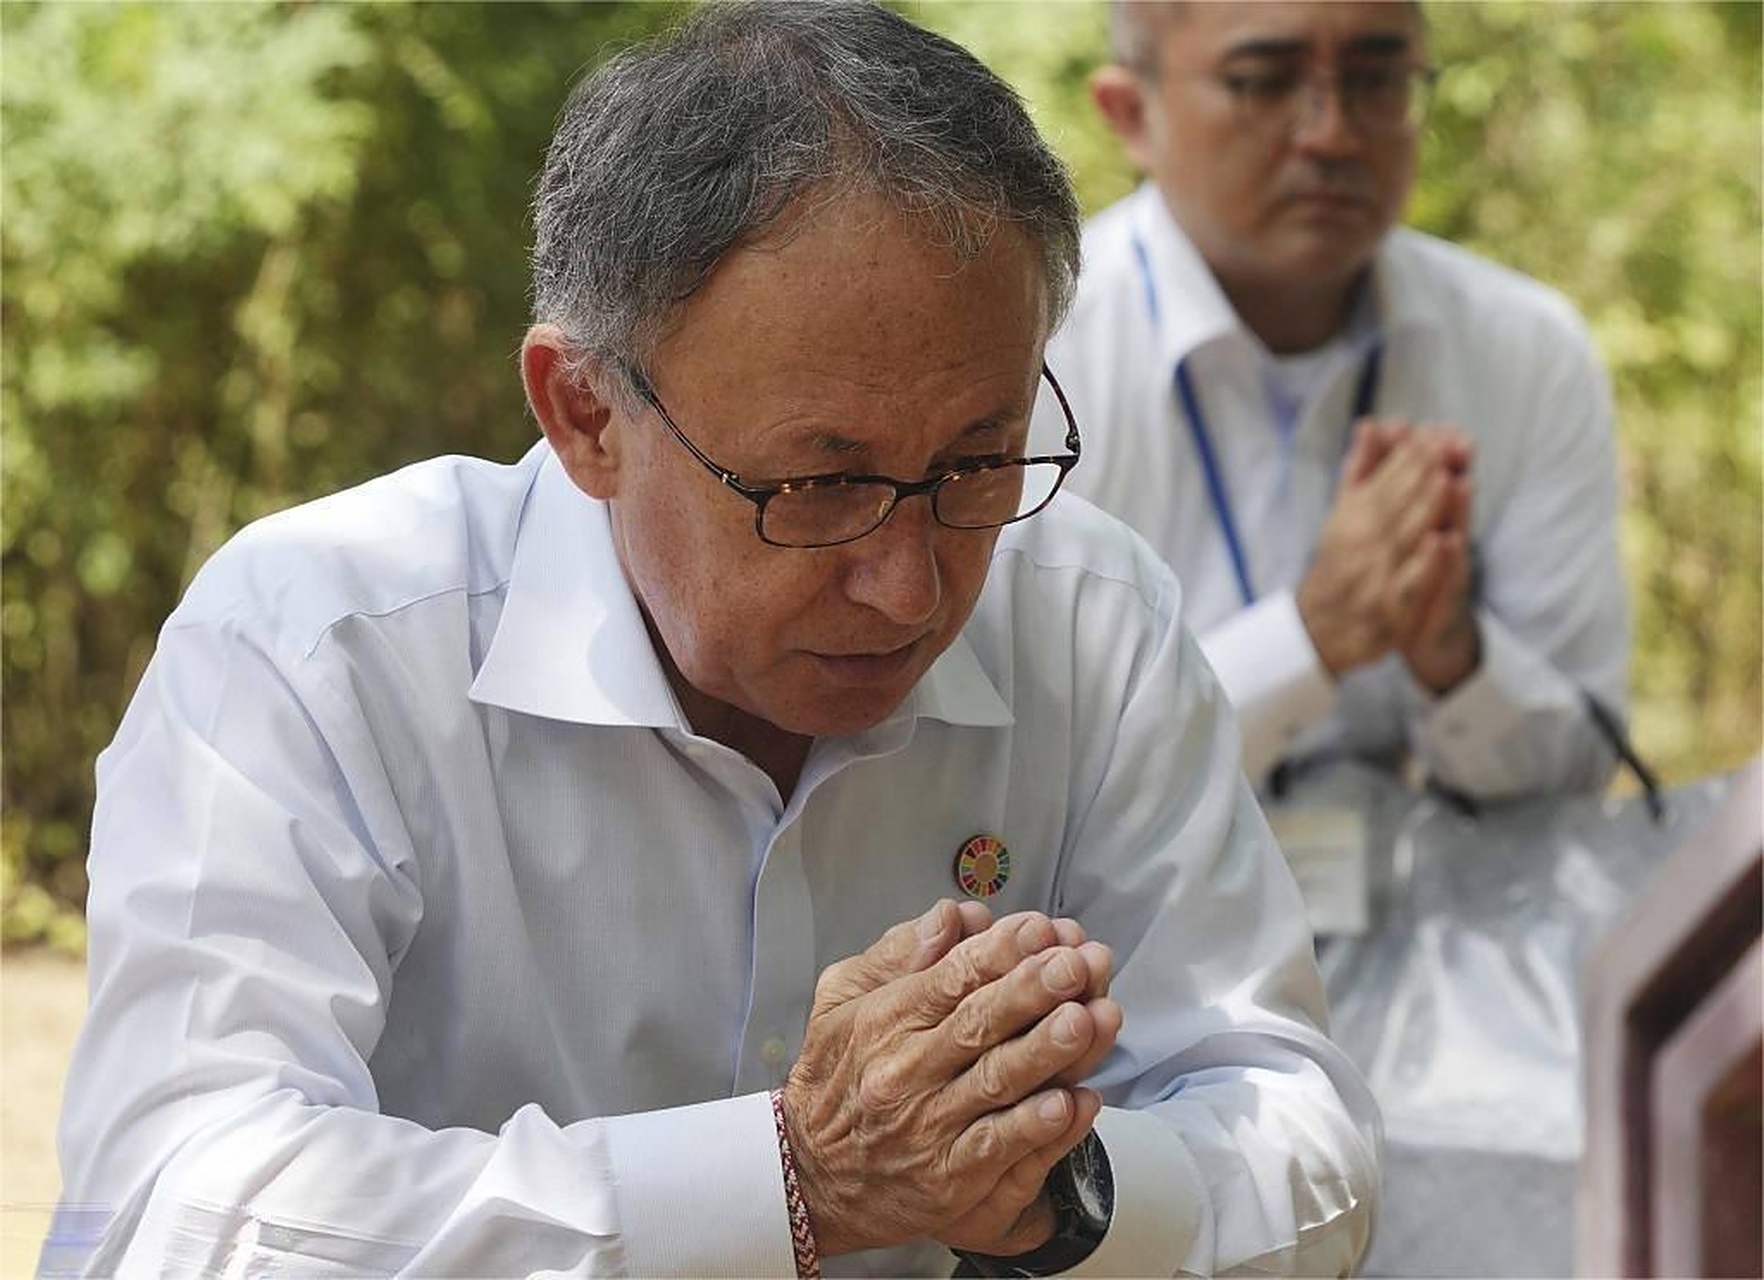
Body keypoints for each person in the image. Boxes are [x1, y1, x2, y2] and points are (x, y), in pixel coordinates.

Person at [47, 5, 1379, 1277]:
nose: (908, 586)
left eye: (977, 463)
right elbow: (173, 1215)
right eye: (821, 484)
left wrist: (1051, 1189)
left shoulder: (1089, 620)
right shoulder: (320, 647)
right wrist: (790, 1180)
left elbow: (1303, 1141)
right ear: (585, 413)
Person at [1043, 1, 1630, 799]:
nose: (1334, 135)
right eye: (1261, 82)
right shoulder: (1039, 354)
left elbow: (1580, 777)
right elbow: (1032, 786)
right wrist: (1310, 639)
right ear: (1130, 113)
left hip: (1447, 875)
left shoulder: (1524, 350)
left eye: (1377, 80)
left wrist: (1457, 660)